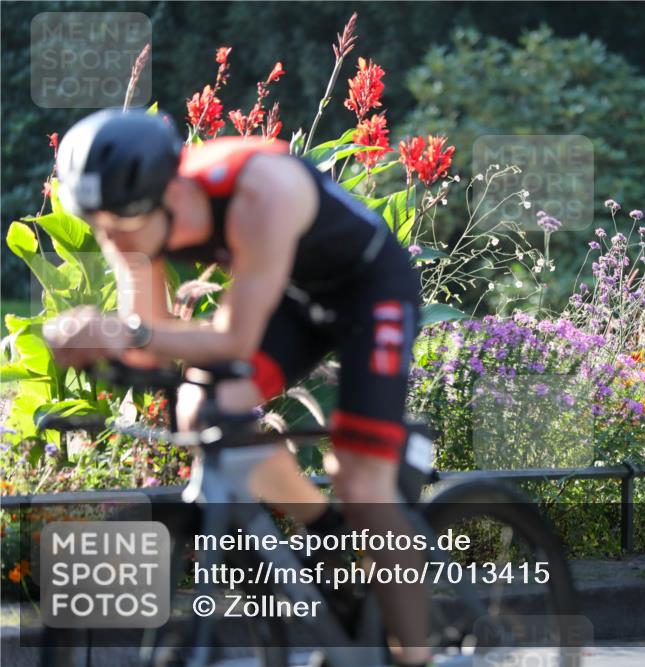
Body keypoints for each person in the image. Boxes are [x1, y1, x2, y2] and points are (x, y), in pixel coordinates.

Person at [44, 108, 431, 667]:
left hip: (370, 292)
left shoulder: (259, 190)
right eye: (98, 222)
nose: (112, 238)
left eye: (121, 224)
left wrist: (124, 332)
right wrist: (88, 336)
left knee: (359, 473)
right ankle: (329, 536)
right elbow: (148, 341)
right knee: (203, 408)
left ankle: (416, 656)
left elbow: (233, 337)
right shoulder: (127, 220)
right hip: (293, 298)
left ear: (168, 194)